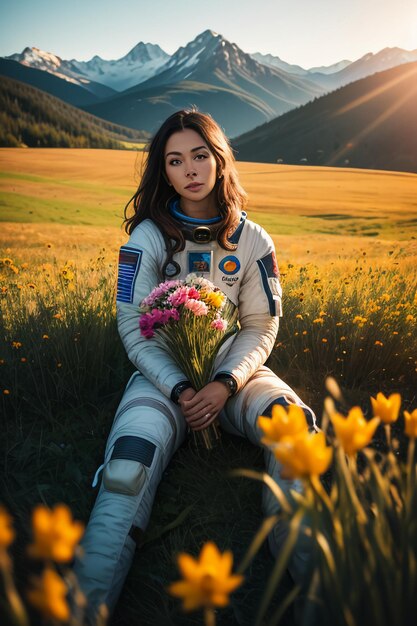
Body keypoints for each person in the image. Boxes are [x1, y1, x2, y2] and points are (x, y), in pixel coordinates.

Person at [74, 108, 318, 621]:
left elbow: (260, 325)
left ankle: (315, 591)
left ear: (220, 160)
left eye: (200, 155)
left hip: (235, 376)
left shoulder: (254, 240)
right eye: (175, 159)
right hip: (162, 380)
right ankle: (81, 609)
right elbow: (130, 326)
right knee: (126, 469)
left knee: (294, 431)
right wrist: (181, 388)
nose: (190, 168)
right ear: (163, 171)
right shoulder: (144, 239)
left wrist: (227, 383)